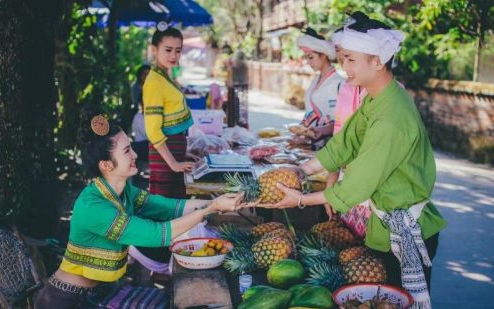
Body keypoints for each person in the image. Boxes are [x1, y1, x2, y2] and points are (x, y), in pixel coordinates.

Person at [255, 16, 447, 309]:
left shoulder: (391, 117)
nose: (344, 67)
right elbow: (345, 144)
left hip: (407, 230)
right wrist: (300, 170)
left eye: (350, 59)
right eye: (343, 58)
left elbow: (357, 185)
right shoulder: (378, 98)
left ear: (377, 62)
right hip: (386, 225)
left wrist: (302, 199)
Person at [34, 116, 244, 309]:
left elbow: (170, 207)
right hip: (67, 300)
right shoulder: (94, 207)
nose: (135, 155)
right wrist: (211, 209)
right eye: (126, 151)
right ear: (106, 165)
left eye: (131, 148)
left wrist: (215, 201)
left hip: (100, 291)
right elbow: (156, 234)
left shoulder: (123, 191)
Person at [143, 22, 194, 198]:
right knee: (166, 210)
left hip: (172, 152)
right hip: (165, 157)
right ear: (154, 49)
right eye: (168, 49)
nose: (174, 55)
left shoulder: (163, 76)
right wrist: (173, 163)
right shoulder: (154, 83)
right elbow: (152, 129)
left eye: (178, 50)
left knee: (174, 209)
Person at [297, 28, 344, 149]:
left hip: (328, 146)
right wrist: (301, 131)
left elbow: (340, 121)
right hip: (311, 143)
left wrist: (319, 130)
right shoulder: (315, 80)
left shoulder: (338, 82)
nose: (308, 62)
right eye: (306, 58)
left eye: (311, 57)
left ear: (323, 55)